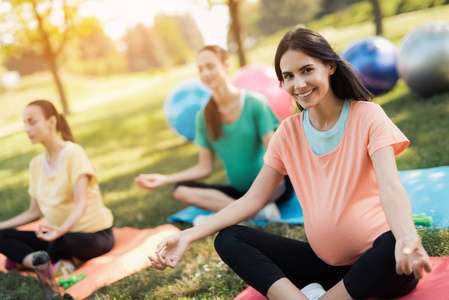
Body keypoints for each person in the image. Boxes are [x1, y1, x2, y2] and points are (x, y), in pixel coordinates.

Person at [147, 28, 433, 300]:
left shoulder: (369, 116)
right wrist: (188, 235)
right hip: (327, 269)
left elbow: (391, 188)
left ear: (329, 66)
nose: (299, 84)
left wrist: (408, 238)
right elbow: (252, 200)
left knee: (393, 241)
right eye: (289, 76)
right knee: (229, 238)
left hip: (383, 266)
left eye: (307, 70)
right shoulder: (288, 132)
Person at [135, 45, 292, 222]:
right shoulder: (203, 117)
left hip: (270, 187)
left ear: (225, 65)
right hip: (240, 193)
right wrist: (164, 179)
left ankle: (240, 211)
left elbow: (274, 157)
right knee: (181, 190)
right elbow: (204, 168)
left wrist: (258, 193)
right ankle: (252, 213)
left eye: (210, 66)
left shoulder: (255, 102)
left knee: (280, 179)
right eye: (200, 69)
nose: (205, 73)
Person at [0, 100, 114, 276]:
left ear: (51, 122)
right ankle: (40, 262)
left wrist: (62, 229)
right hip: (56, 235)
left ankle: (28, 260)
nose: (26, 129)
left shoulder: (74, 153)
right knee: (3, 235)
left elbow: (81, 204)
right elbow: (34, 212)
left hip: (93, 235)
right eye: (24, 123)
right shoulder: (36, 164)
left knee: (63, 242)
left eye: (32, 122)